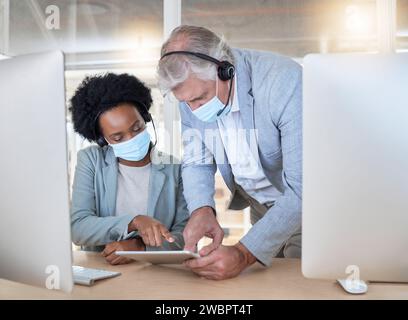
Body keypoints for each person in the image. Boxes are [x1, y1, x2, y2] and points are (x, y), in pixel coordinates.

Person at [157, 25, 302, 280]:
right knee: (268, 284)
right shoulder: (191, 95)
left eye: (200, 97)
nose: (194, 108)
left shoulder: (283, 82)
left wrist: (243, 253)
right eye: (186, 102)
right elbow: (196, 161)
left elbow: (303, 190)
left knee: (299, 285)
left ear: (225, 69)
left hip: (304, 208)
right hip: (261, 207)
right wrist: (202, 210)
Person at [69, 73, 189, 265]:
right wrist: (134, 221)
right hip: (102, 270)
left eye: (136, 128)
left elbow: (185, 237)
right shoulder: (91, 160)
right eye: (118, 137)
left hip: (156, 275)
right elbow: (78, 228)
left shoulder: (176, 170)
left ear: (146, 119)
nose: (131, 138)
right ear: (102, 140)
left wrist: (141, 248)